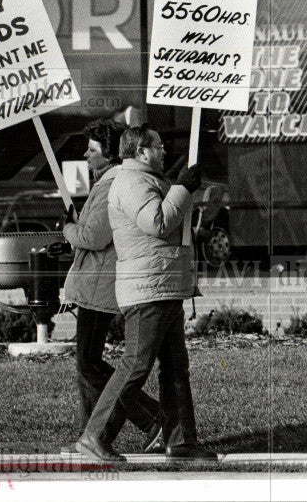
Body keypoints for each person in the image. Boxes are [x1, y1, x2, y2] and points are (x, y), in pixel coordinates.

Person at [75, 126, 217, 462]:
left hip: (164, 285)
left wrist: (179, 188)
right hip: (148, 288)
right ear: (141, 150)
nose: (165, 150)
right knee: (136, 364)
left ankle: (181, 443)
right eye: (159, 145)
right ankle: (95, 436)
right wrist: (182, 187)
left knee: (174, 366)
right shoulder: (131, 182)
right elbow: (157, 222)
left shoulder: (148, 179)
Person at [57, 118, 164, 453]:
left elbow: (94, 235)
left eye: (92, 150)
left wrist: (68, 229)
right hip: (96, 279)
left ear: (110, 151)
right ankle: (91, 436)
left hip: (100, 283)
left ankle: (152, 418)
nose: (87, 156)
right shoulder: (109, 180)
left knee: (89, 363)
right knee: (86, 365)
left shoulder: (110, 183)